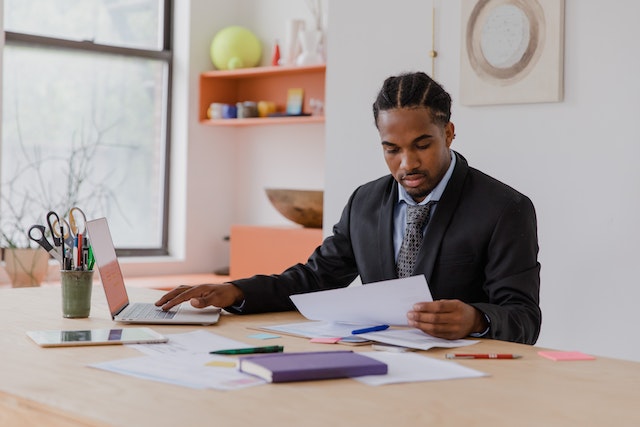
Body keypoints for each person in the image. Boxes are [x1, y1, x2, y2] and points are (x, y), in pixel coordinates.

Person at [156, 72, 541, 345]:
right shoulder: (365, 202)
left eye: (422, 144)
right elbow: (313, 279)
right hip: (378, 368)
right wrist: (235, 291)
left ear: (449, 133)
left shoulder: (505, 209)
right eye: (392, 149)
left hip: (469, 381)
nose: (407, 163)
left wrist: (477, 319)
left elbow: (524, 317)